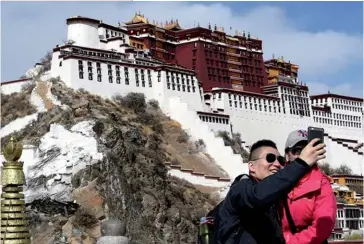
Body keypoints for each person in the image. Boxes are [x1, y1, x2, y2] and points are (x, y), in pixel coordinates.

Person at [217, 138, 325, 244]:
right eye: (270, 158)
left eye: (280, 160)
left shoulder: (277, 199)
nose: (277, 164)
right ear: (251, 166)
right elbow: (258, 196)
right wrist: (301, 163)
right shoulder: (240, 189)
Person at [281, 130, 337, 244]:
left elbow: (321, 228)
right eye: (297, 150)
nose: (303, 155)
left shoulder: (322, 184)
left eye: (307, 149)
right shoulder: (276, 180)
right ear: (287, 155)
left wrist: (288, 241)